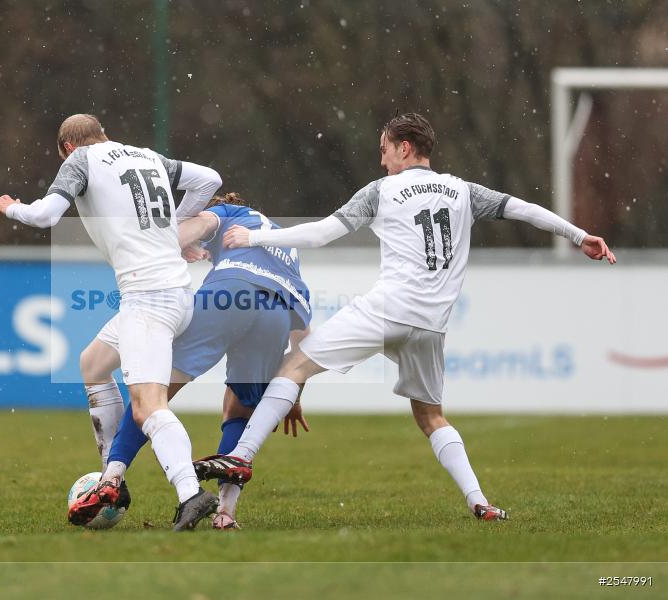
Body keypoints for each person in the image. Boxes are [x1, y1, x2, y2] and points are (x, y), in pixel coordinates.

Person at [196, 112, 617, 522]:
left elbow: (324, 233)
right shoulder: (463, 190)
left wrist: (256, 236)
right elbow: (523, 208)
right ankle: (479, 502)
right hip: (431, 326)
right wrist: (579, 236)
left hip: (386, 310)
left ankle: (241, 457)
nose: (382, 160)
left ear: (404, 147)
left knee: (293, 368)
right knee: (431, 416)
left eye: (385, 150)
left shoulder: (384, 190)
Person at [0, 113, 223, 531]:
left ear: (66, 148)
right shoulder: (146, 156)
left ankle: (191, 493)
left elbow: (46, 216)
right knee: (92, 364)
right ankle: (111, 480)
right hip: (172, 295)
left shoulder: (81, 160)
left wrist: (12, 208)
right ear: (104, 135)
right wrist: (169, 233)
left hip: (149, 302)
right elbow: (209, 179)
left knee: (148, 407)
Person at [77, 193, 312, 529]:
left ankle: (112, 477)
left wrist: (161, 248)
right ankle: (226, 514)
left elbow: (198, 225)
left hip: (227, 295)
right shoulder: (282, 242)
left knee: (151, 396)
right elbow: (304, 341)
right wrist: (294, 394)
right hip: (276, 315)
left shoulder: (225, 212)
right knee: (238, 411)